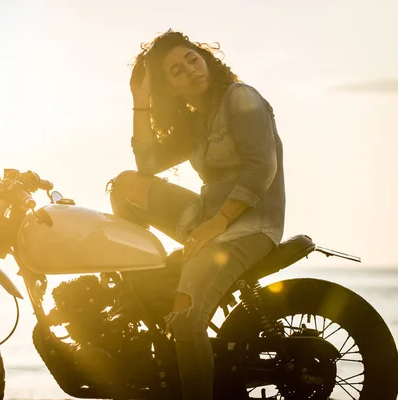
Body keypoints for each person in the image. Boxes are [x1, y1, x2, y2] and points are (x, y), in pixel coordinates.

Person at [109, 29, 286, 399]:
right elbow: (148, 162)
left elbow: (261, 169)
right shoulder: (195, 121)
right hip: (205, 217)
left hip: (247, 226)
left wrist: (216, 225)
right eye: (175, 70)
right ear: (171, 89)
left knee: (186, 321)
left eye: (191, 58)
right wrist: (140, 100)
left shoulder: (241, 97)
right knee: (125, 185)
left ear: (204, 58)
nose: (189, 69)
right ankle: (146, 281)